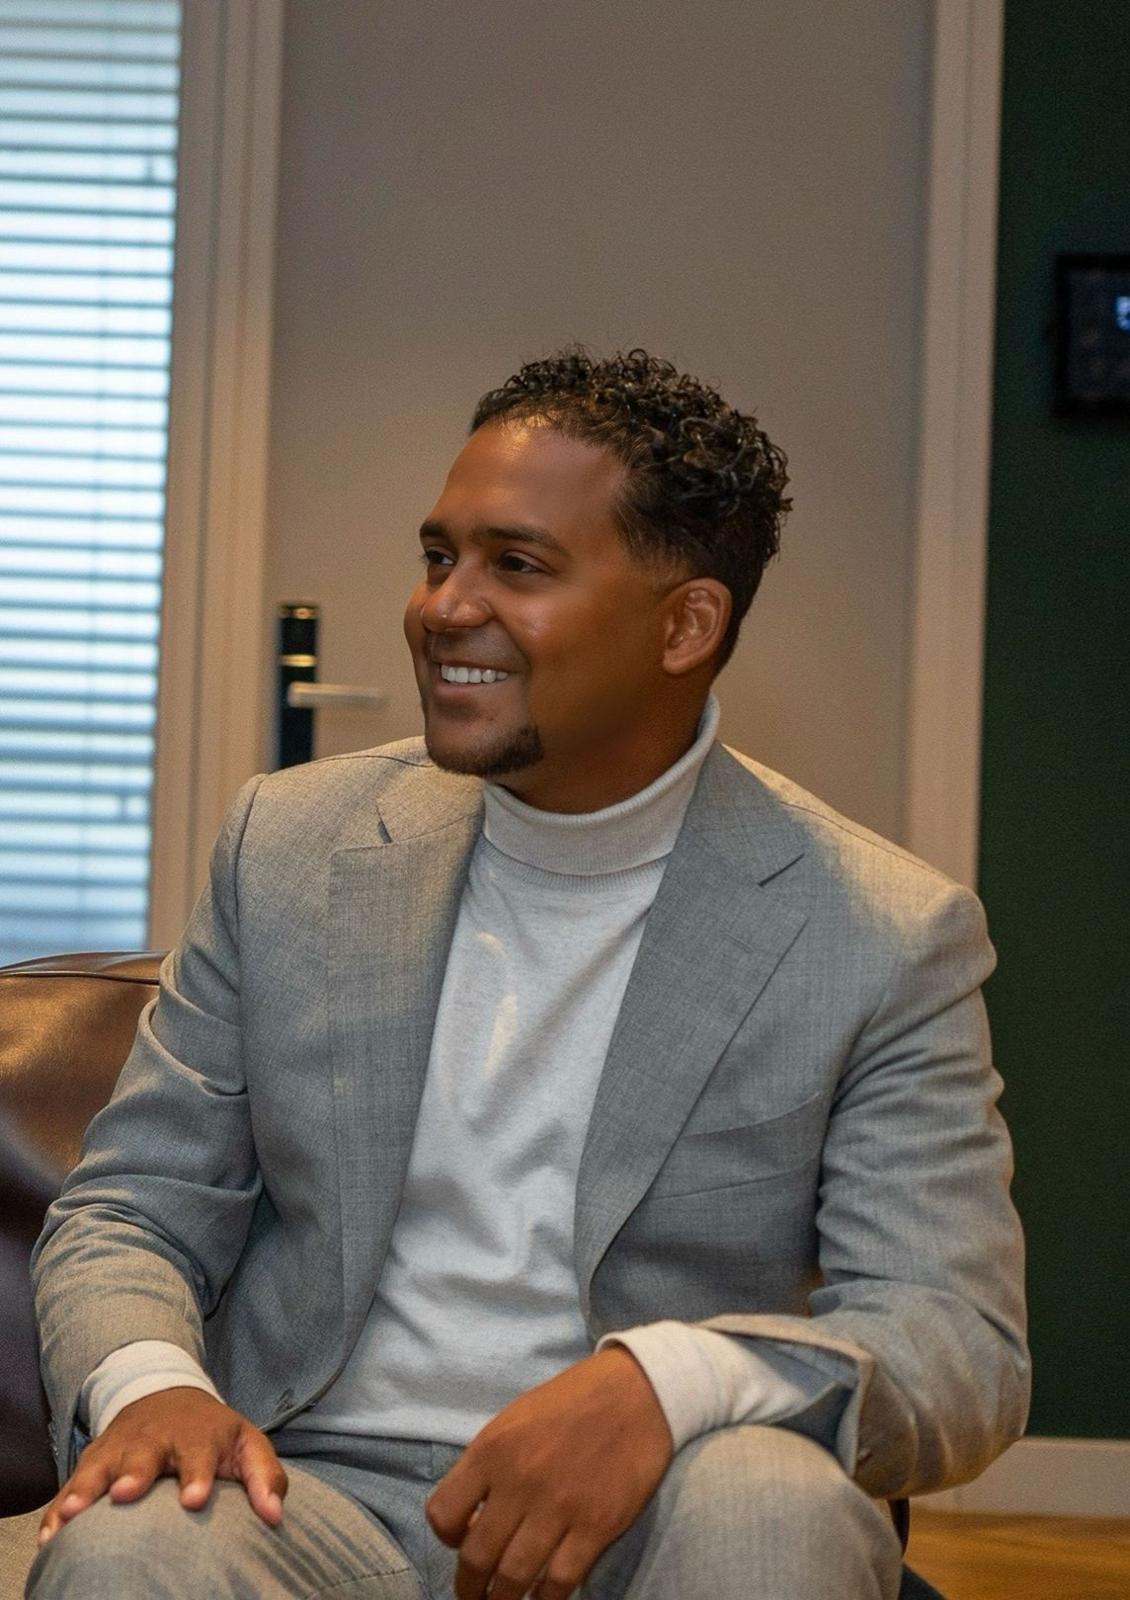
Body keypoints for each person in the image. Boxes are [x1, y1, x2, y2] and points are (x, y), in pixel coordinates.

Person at [28, 349, 1028, 1600]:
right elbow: (133, 1206)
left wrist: (669, 1382)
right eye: (439, 555)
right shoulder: (286, 844)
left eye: (516, 565)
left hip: (661, 1503)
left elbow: (955, 1345)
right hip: (304, 1485)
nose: (444, 605)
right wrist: (153, 1386)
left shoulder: (878, 932)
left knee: (772, 1503)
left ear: (686, 624)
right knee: (131, 1544)